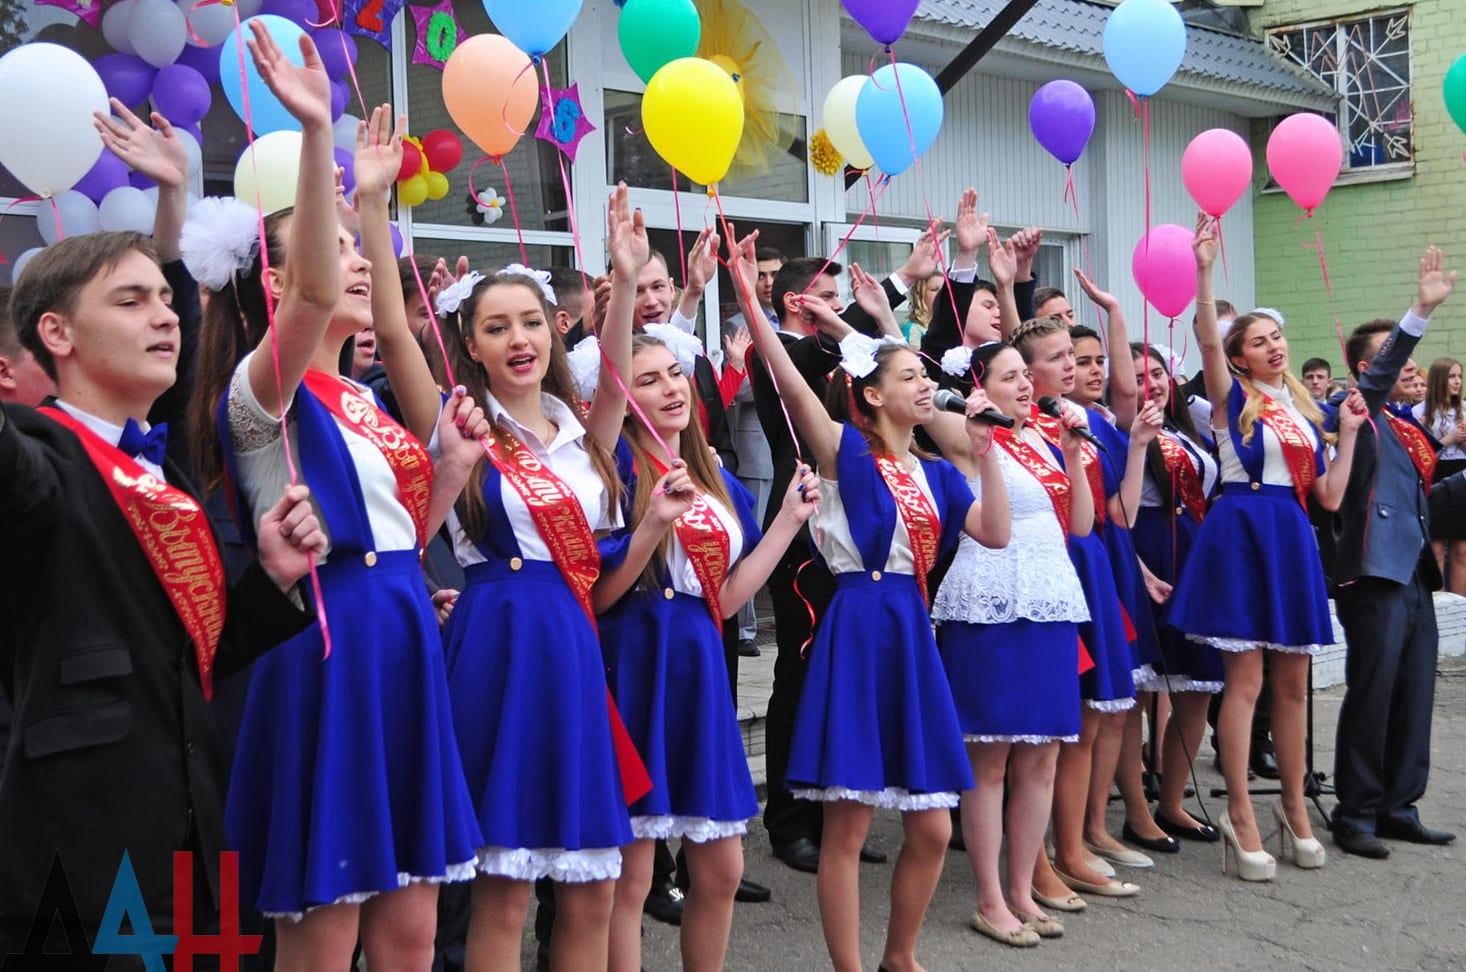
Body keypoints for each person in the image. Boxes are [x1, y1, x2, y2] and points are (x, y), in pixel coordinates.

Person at [201, 37, 488, 970]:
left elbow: (407, 528)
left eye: (363, 252)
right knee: (325, 928)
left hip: (402, 632)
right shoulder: (257, 402)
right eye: (335, 255)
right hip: (327, 649)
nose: (359, 266)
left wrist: (445, 470)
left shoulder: (362, 399)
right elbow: (322, 288)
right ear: (279, 286)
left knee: (410, 926)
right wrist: (319, 128)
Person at [0, 229, 323, 961]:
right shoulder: (35, 455)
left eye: (168, 301)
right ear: (57, 332)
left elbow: (190, 654)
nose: (168, 316)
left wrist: (271, 578)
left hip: (196, 841)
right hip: (81, 853)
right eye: (131, 299)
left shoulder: (162, 475)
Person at [735, 228, 1010, 972]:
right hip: (857, 628)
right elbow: (789, 385)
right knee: (847, 829)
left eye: (929, 379)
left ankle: (900, 955)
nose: (926, 386)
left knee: (929, 829)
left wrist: (985, 455)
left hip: (912, 636)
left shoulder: (940, 473)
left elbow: (994, 531)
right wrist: (750, 300)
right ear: (871, 393)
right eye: (910, 378)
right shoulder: (845, 453)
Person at [440, 186, 647, 970]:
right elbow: (397, 337)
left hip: (573, 648)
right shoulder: (460, 421)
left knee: (592, 884)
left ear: (556, 329)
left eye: (530, 321)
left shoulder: (576, 427)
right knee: (505, 885)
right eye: (496, 327)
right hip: (497, 647)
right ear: (473, 342)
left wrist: (624, 284)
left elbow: (618, 383)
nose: (517, 339)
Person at [596, 331, 820, 972]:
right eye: (648, 380)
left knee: (721, 868)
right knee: (632, 874)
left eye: (675, 374)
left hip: (699, 662)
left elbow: (723, 602)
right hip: (635, 660)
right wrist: (652, 527)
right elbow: (604, 595)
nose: (671, 388)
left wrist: (786, 524)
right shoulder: (611, 469)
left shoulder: (717, 476)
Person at [1165, 214, 1366, 882]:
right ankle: (1242, 812)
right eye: (1259, 340)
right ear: (1239, 354)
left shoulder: (1307, 409)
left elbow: (1330, 497)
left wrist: (1353, 434)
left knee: (1294, 681)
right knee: (1244, 682)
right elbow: (1203, 335)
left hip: (1291, 533)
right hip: (1243, 530)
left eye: (1277, 336)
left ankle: (1295, 807)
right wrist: (1202, 270)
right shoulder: (1229, 398)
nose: (1275, 346)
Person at [930, 340, 1089, 948]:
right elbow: (918, 386)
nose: (1025, 385)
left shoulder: (1041, 436)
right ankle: (989, 898)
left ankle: (1023, 888)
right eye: (1010, 376)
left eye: (1028, 375)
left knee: (1043, 754)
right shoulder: (961, 434)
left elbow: (1078, 525)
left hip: (1049, 600)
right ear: (980, 384)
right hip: (990, 605)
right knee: (990, 759)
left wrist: (1073, 456)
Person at [1330, 248, 1458, 859]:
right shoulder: (1356, 408)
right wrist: (1420, 313)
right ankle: (1354, 812)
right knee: (1373, 690)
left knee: (1413, 690)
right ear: (1365, 368)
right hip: (1373, 569)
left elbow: (1428, 497)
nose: (1406, 369)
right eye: (1393, 357)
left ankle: (1398, 806)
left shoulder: (1408, 427)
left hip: (1412, 568)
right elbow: (1381, 379)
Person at [1009, 316, 1142, 903]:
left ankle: (1075, 842)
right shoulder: (1020, 427)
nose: (1071, 365)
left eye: (1075, 355)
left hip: (1089, 563)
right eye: (1058, 357)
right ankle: (1036, 858)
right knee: (1046, 727)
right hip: (1045, 569)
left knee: (1089, 717)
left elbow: (1109, 507)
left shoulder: (1072, 423)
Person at [1126, 342, 1224, 844]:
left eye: (1159, 372)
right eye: (1140, 376)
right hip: (1148, 546)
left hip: (1193, 550)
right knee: (1139, 689)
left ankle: (1172, 801)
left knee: (1199, 685)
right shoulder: (1129, 433)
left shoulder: (1190, 426)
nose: (1153, 383)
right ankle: (1136, 807)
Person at [1414, 357, 1466, 594]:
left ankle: (1460, 604)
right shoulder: (1419, 412)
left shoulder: (1464, 409)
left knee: (1461, 550)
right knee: (1434, 549)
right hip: (1433, 476)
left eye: (1459, 376)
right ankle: (1439, 604)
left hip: (1461, 474)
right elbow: (1419, 453)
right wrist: (1449, 439)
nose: (1457, 382)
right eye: (1451, 376)